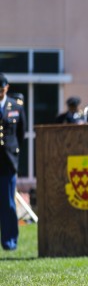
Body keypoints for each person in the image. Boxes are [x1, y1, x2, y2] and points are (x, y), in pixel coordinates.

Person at [0, 73, 26, 250]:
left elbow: (21, 134)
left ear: (7, 88)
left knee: (8, 202)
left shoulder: (16, 106)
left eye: (1, 90)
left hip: (8, 162)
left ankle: (9, 242)